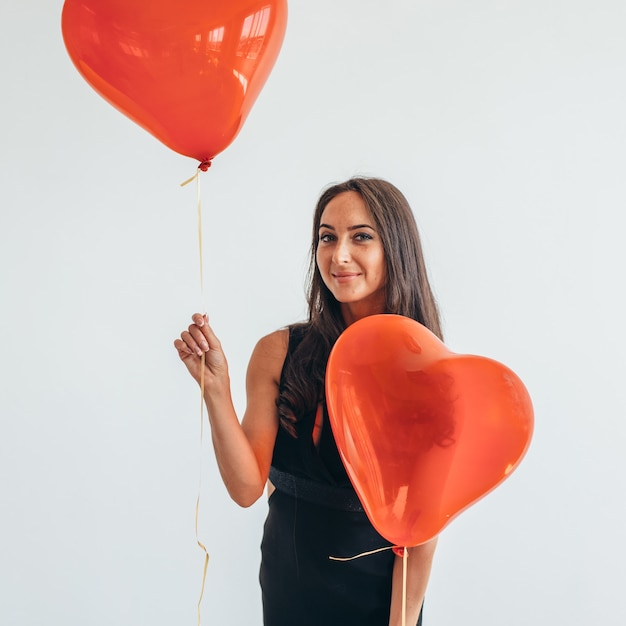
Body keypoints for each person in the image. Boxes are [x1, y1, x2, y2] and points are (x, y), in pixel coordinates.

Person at [174, 177, 442, 626]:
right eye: (326, 237)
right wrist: (214, 390)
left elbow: (423, 532)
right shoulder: (278, 351)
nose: (338, 255)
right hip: (288, 583)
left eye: (361, 236)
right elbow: (245, 489)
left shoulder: (425, 367)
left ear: (395, 248)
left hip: (380, 596)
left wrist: (401, 622)